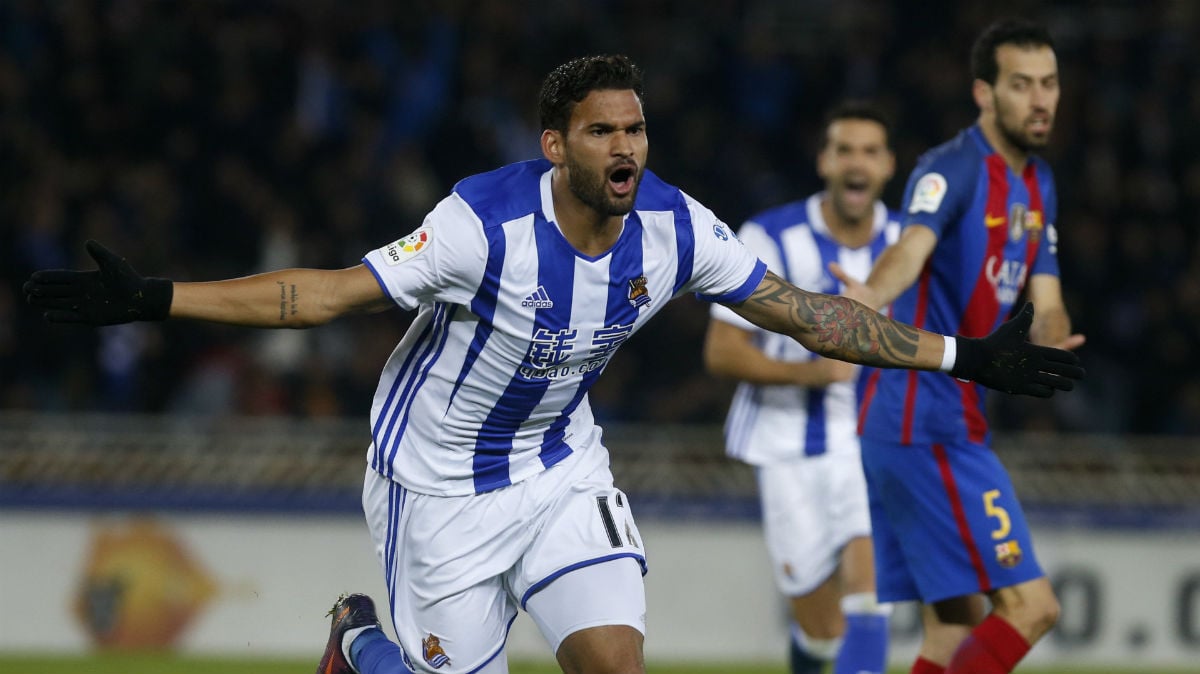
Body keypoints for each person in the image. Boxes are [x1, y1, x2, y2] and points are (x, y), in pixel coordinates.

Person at [25, 55, 1082, 674]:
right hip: (434, 485)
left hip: (561, 468)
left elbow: (808, 314)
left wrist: (963, 355)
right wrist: (155, 298)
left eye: (637, 127)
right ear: (554, 145)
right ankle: (356, 639)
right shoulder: (476, 226)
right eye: (601, 131)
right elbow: (324, 291)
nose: (627, 147)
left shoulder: (673, 226)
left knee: (614, 664)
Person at [829, 20, 1086, 674]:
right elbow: (909, 251)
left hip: (926, 424)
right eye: (1021, 84)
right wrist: (869, 297)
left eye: (1049, 84)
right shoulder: (953, 169)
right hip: (925, 423)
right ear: (983, 92)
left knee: (951, 633)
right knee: (1033, 607)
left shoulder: (1040, 183)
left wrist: (1052, 340)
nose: (1040, 100)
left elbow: (1046, 297)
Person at [704, 102, 898, 674]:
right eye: (844, 150)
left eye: (869, 151)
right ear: (824, 162)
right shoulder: (772, 236)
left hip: (873, 443)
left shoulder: (909, 243)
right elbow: (722, 351)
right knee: (821, 633)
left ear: (887, 165)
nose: (855, 162)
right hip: (787, 444)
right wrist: (813, 371)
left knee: (869, 597)